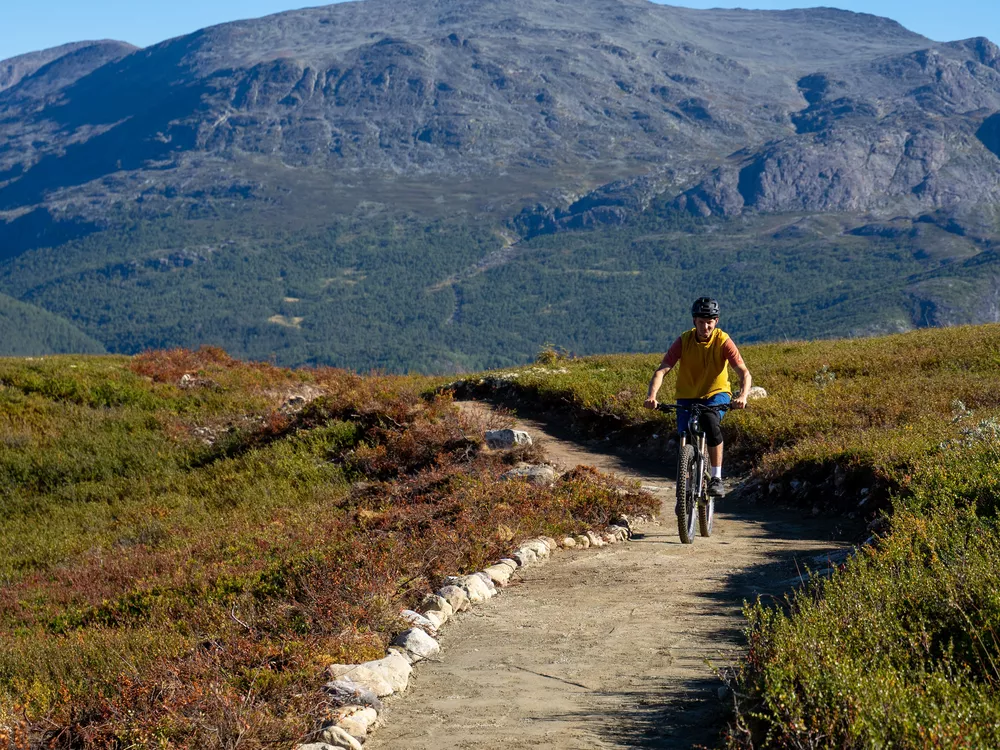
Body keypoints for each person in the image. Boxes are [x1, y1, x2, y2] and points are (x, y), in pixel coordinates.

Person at [643, 297, 752, 497]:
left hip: (716, 394)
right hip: (687, 395)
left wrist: (742, 396)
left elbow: (744, 372)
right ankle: (686, 483)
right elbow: (662, 371)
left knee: (710, 424)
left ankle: (717, 477)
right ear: (694, 321)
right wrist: (652, 396)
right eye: (701, 322)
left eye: (709, 322)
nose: (705, 326)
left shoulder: (723, 341)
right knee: (685, 432)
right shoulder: (684, 341)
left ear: (716, 321)